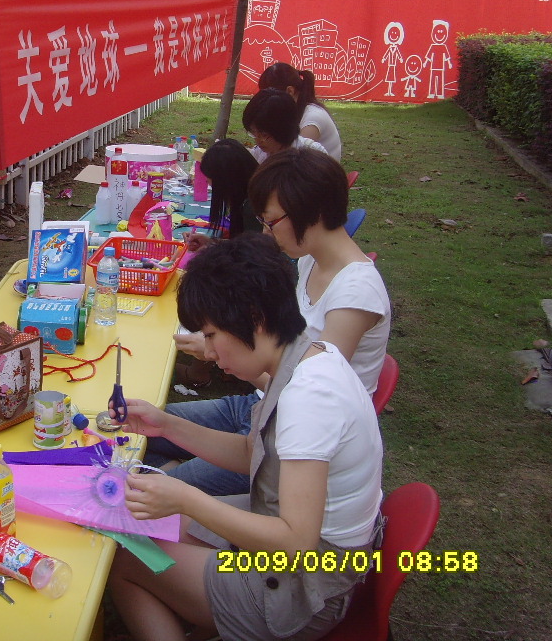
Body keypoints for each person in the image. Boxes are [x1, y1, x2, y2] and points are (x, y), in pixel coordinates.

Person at [107, 235, 383, 641]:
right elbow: (253, 454)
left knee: (126, 558)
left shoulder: (309, 399)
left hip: (306, 587)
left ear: (254, 317)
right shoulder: (304, 356)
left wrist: (188, 499)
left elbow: (295, 543)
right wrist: (166, 425)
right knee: (150, 527)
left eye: (213, 334)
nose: (210, 352)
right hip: (298, 545)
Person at [150, 148, 391, 495]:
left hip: (293, 432)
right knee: (146, 431)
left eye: (272, 221)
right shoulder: (311, 260)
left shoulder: (356, 293)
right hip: (261, 406)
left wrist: (222, 353)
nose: (266, 231)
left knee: (159, 490)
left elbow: (308, 384)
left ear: (314, 210)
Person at [177, 138, 259, 386]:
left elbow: (253, 258)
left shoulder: (252, 206)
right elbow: (245, 246)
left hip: (255, 285)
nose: (209, 184)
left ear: (228, 179)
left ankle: (199, 371)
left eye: (211, 179)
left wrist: (215, 254)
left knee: (207, 290)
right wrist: (212, 243)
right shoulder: (249, 196)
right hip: (255, 272)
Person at [259, 62, 342, 160]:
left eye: (270, 96)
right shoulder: (298, 111)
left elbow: (292, 158)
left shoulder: (312, 118)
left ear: (290, 91)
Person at [243, 88, 328, 164]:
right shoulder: (259, 154)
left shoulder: (313, 155)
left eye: (264, 135)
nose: (258, 140)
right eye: (253, 132)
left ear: (282, 129)